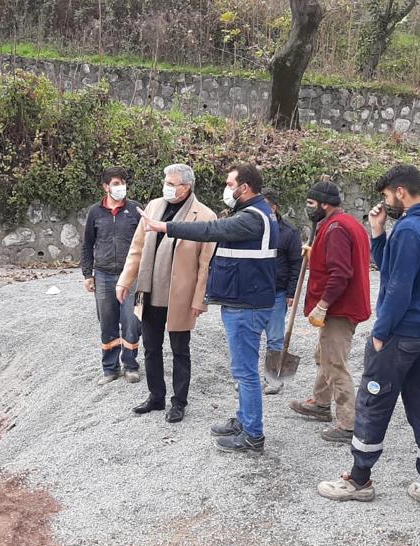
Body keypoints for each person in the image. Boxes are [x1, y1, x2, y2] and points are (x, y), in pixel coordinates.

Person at [316, 164, 420, 518]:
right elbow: (393, 270)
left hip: (401, 335)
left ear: (401, 192)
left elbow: (397, 289)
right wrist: (378, 234)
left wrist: (380, 333)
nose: (386, 202)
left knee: (373, 403)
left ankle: (359, 479)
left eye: (387, 195)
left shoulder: (408, 230)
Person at [139, 163, 278, 454]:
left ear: (244, 188)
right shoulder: (255, 213)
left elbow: (210, 229)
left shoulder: (252, 217)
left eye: (230, 184)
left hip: (246, 306)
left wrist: (165, 227)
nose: (226, 189)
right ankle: (244, 421)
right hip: (242, 302)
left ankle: (253, 435)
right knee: (242, 371)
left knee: (245, 373)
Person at [117, 164, 217, 423]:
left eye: (173, 184)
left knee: (180, 350)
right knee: (151, 347)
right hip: (148, 290)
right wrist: (125, 281)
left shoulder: (205, 216)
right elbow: (137, 248)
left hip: (180, 295)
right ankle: (156, 396)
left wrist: (200, 300)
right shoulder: (153, 206)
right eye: (166, 182)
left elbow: (205, 264)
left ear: (187, 187)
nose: (167, 188)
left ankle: (179, 402)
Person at [287, 180, 371, 443]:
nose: (308, 208)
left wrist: (323, 304)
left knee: (334, 362)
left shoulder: (336, 229)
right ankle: (321, 403)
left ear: (324, 204)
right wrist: (315, 254)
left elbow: (340, 273)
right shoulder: (347, 223)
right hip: (344, 305)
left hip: (339, 308)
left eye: (311, 203)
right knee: (322, 354)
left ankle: (348, 424)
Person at [81, 166, 143, 385]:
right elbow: (87, 244)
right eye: (116, 183)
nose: (121, 187)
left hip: (132, 277)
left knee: (132, 321)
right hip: (104, 276)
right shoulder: (95, 212)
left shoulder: (135, 210)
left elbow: (146, 242)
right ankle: (110, 369)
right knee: (107, 323)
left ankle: (130, 366)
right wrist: (87, 274)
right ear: (105, 187)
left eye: (123, 183)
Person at [260, 188, 302, 395]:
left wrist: (291, 292)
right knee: (249, 337)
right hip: (252, 293)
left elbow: (296, 264)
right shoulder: (251, 228)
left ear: (274, 208)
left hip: (277, 293)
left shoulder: (289, 232)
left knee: (275, 338)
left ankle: (274, 379)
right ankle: (247, 379)